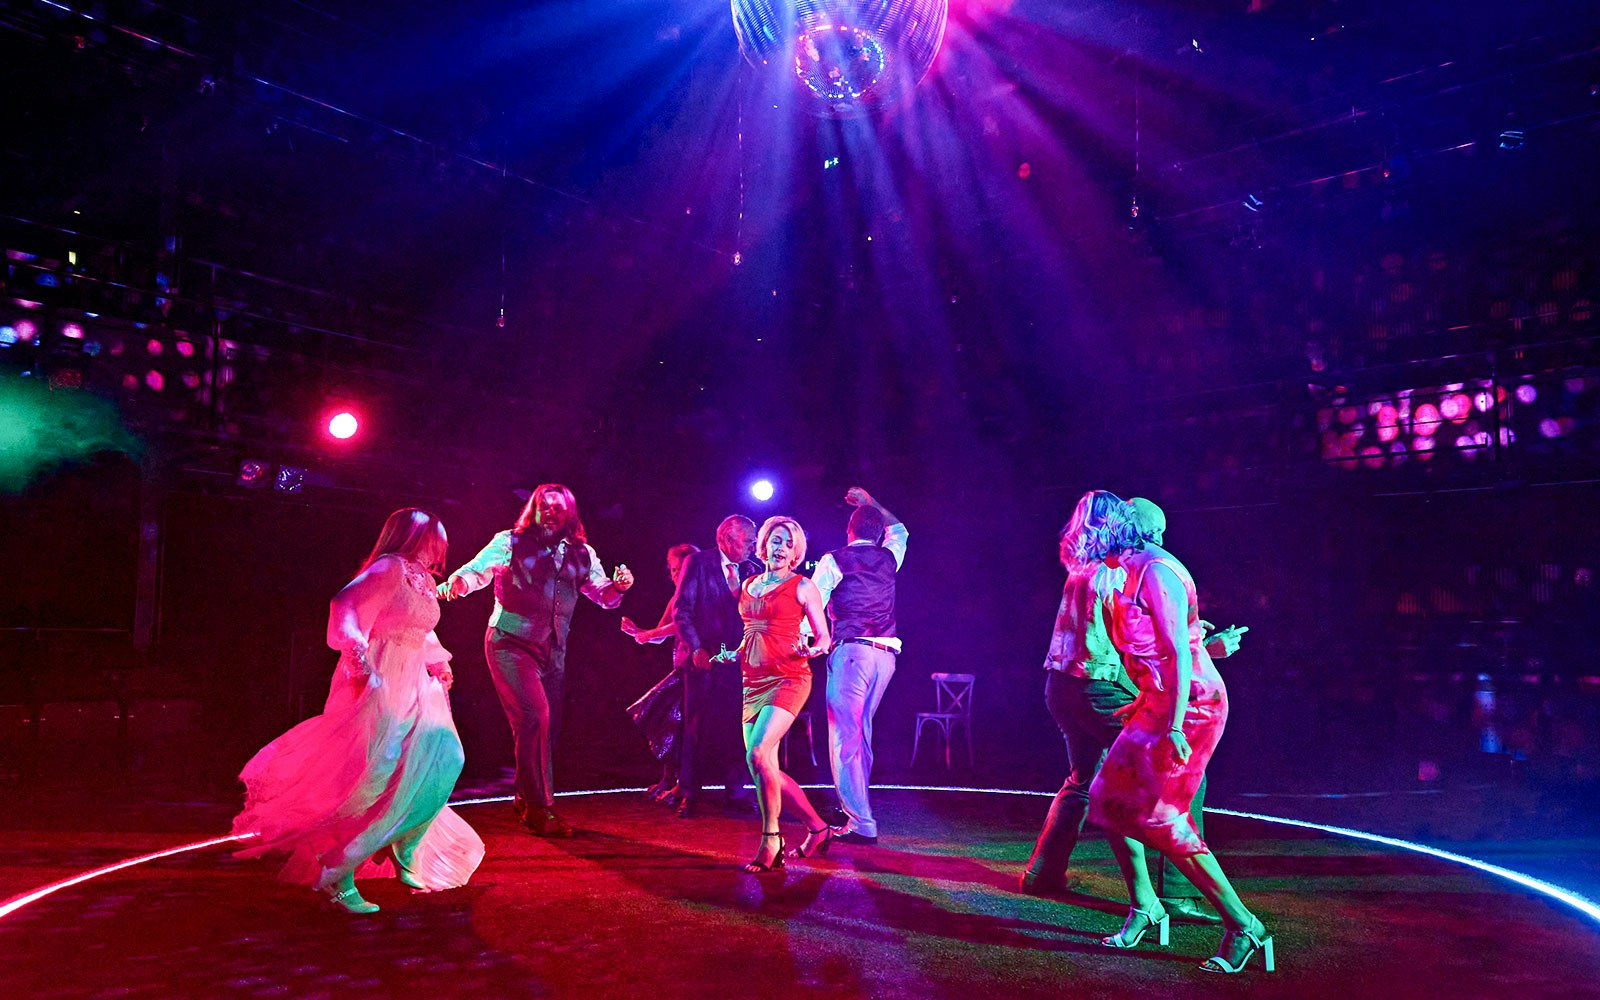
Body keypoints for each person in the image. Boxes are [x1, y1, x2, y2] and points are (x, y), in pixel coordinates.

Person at [233, 508, 484, 914]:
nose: (439, 547)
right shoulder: (388, 567)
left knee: (443, 758)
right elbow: (344, 605)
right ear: (410, 536)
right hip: (383, 677)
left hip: (416, 681)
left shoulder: (420, 578)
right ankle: (338, 871)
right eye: (432, 537)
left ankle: (404, 844)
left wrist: (438, 661)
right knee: (373, 775)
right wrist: (359, 661)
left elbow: (418, 625)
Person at [1065, 490, 1273, 975]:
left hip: (1193, 707)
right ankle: (1146, 906)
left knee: (1162, 818)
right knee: (1108, 799)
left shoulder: (1156, 571)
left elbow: (1179, 653)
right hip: (1158, 703)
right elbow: (1153, 654)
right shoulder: (1122, 572)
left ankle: (1244, 926)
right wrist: (1145, 699)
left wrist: (1174, 724)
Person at [440, 484, 635, 837]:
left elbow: (602, 596)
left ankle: (524, 797)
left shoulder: (583, 553)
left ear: (569, 513)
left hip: (553, 651)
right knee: (535, 718)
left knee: (544, 728)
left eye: (557, 507)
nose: (550, 512)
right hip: (509, 642)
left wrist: (619, 588)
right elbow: (477, 570)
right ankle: (539, 808)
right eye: (543, 505)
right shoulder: (510, 541)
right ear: (534, 509)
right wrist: (459, 582)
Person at [723, 515, 834, 872]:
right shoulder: (750, 584)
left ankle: (771, 837)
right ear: (765, 544)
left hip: (789, 677)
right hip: (751, 680)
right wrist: (735, 653)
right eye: (776, 540)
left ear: (796, 551)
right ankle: (818, 829)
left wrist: (812, 650)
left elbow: (824, 638)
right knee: (763, 765)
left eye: (789, 543)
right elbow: (752, 631)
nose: (781, 548)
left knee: (758, 754)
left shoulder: (803, 587)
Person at [810, 486, 908, 846]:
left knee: (844, 737)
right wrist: (873, 503)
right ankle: (858, 811)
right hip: (885, 656)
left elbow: (813, 604)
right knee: (859, 735)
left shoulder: (833, 559)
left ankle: (861, 822)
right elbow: (901, 531)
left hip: (852, 653)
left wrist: (806, 641)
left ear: (848, 532)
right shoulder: (888, 558)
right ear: (878, 532)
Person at [671, 516, 762, 818]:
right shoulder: (698, 563)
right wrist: (695, 648)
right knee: (697, 727)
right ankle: (688, 792)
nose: (753, 545)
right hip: (704, 659)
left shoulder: (753, 571)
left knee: (739, 726)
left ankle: (735, 791)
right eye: (747, 539)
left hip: (740, 662)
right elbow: (681, 611)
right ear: (725, 539)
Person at [621, 542, 700, 803]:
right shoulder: (675, 597)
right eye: (674, 570)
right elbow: (659, 634)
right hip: (679, 670)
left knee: (683, 726)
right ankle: (669, 778)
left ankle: (681, 785)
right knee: (667, 723)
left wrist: (649, 634)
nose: (677, 576)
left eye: (682, 570)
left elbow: (678, 627)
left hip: (697, 671)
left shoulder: (701, 594)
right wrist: (638, 633)